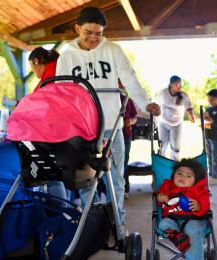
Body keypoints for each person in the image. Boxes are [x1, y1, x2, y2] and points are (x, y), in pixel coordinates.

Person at [55, 7, 160, 237]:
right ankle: (90, 225)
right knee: (85, 181)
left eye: (99, 33)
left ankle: (118, 224)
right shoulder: (66, 56)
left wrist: (145, 104)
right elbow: (61, 92)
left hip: (111, 126)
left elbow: (130, 79)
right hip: (82, 129)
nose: (93, 38)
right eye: (88, 32)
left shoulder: (113, 51)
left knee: (116, 179)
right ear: (77, 29)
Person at [28, 47, 69, 204]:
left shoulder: (50, 77)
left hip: (52, 134)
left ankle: (60, 216)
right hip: (62, 133)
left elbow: (40, 106)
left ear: (37, 62)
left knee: (53, 177)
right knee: (55, 178)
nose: (33, 71)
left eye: (32, 67)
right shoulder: (56, 70)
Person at [157, 158, 210, 259]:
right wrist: (161, 197)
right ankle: (178, 238)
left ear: (196, 180)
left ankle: (193, 255)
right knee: (163, 224)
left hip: (193, 219)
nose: (182, 177)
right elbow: (160, 199)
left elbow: (205, 204)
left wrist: (198, 206)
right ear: (173, 175)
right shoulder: (167, 186)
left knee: (193, 230)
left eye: (188, 176)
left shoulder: (199, 190)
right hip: (172, 218)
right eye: (179, 173)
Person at [156, 75, 195, 161]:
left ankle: (175, 166)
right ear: (171, 84)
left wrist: (191, 116)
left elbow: (189, 107)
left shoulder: (183, 95)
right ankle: (161, 165)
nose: (180, 86)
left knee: (175, 148)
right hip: (164, 123)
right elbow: (156, 105)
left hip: (177, 124)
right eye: (177, 84)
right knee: (162, 146)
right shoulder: (163, 93)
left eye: (181, 84)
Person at [119, 80, 138, 199]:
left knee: (124, 161)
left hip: (126, 134)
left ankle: (124, 188)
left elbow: (135, 116)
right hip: (111, 134)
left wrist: (130, 121)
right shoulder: (107, 99)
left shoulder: (127, 99)